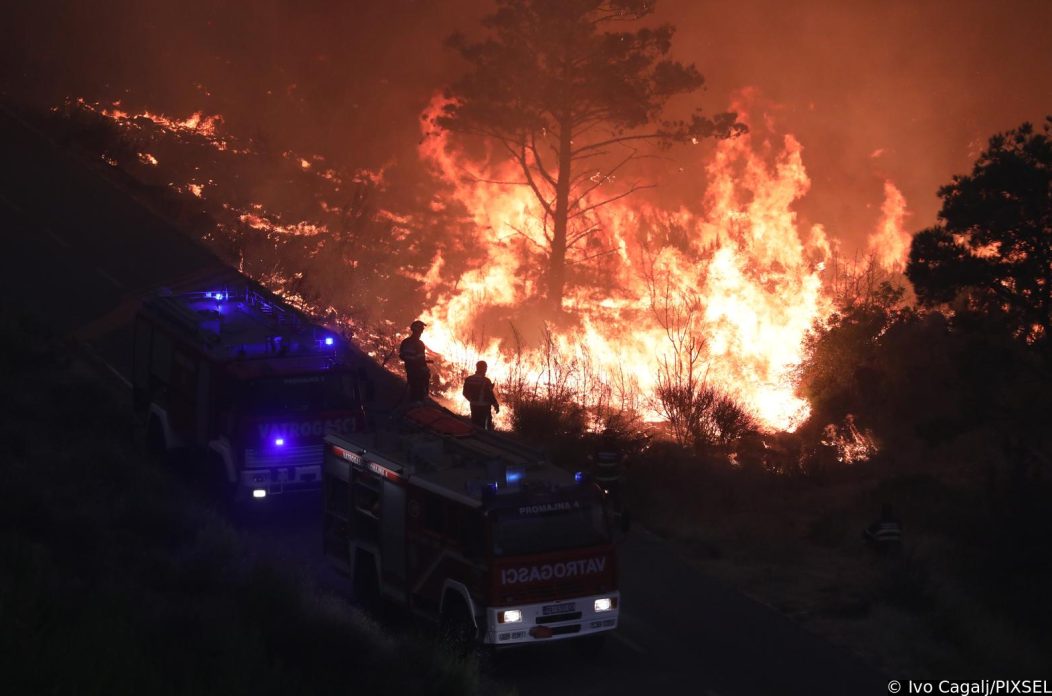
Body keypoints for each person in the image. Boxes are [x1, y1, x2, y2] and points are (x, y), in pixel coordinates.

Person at [462, 360, 499, 429]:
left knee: (474, 423)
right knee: (485, 424)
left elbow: (464, 393)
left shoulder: (469, 379)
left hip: (473, 405)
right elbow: (489, 395)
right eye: (485, 368)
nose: (486, 370)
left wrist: (472, 400)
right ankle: (485, 435)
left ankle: (474, 434)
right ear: (483, 368)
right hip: (484, 406)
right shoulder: (486, 380)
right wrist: (496, 405)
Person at [399, 320, 430, 402]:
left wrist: (411, 360)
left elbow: (402, 356)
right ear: (418, 330)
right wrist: (424, 368)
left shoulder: (405, 342)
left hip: (409, 369)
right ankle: (419, 405)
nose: (422, 331)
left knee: (413, 389)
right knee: (419, 392)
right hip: (418, 371)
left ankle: (413, 404)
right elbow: (420, 359)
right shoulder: (419, 343)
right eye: (422, 329)